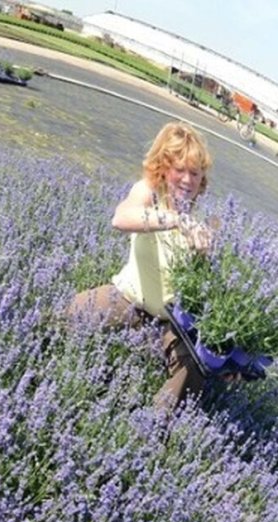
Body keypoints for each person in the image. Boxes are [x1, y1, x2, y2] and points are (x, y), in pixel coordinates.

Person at [67, 122, 215, 413]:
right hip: (128, 298)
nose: (187, 179)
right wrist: (174, 219)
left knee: (194, 371)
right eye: (179, 169)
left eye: (195, 173)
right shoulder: (148, 192)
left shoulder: (208, 219)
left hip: (173, 321)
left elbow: (209, 292)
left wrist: (204, 253)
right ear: (163, 166)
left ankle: (151, 432)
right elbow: (121, 218)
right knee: (72, 314)